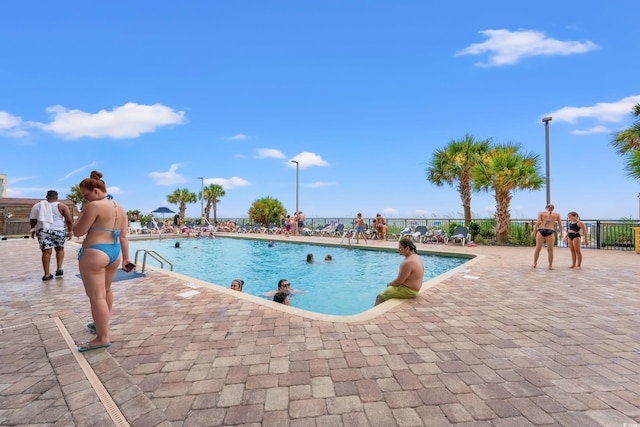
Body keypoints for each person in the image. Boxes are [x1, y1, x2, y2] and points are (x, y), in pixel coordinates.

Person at [72, 171, 133, 352]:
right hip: (114, 253)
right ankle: (99, 325)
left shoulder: (94, 206)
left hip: (95, 252)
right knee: (105, 291)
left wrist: (78, 216)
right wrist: (126, 258)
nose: (86, 199)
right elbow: (123, 237)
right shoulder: (120, 208)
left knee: (96, 297)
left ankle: (102, 337)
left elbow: (78, 231)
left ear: (96, 190)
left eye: (86, 195)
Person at [30, 190, 74, 280]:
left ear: (46, 196)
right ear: (57, 197)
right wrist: (70, 231)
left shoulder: (38, 206)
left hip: (43, 230)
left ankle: (46, 274)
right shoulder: (62, 206)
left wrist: (33, 230)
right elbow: (69, 220)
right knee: (60, 249)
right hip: (58, 230)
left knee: (46, 252)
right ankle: (59, 268)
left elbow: (33, 219)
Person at [375, 238, 425, 306]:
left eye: (400, 247)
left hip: (408, 290)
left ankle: (376, 315)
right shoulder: (416, 257)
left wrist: (390, 284)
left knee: (380, 297)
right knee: (388, 292)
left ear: (407, 248)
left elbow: (399, 281)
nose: (398, 249)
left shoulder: (407, 262)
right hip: (414, 289)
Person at [532, 203, 563, 269]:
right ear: (553, 208)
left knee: (538, 248)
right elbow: (560, 225)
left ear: (546, 208)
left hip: (542, 230)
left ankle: (535, 263)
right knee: (550, 250)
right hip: (550, 230)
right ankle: (550, 266)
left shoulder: (541, 213)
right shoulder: (556, 215)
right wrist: (561, 233)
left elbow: (538, 222)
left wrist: (534, 231)